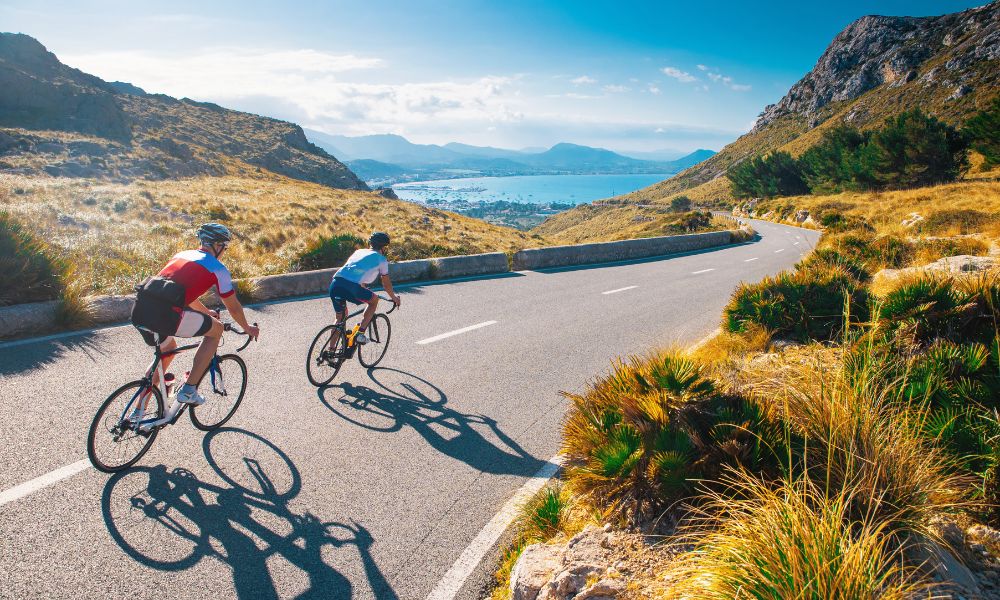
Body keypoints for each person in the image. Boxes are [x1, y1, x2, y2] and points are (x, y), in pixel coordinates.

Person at [131, 223, 260, 412]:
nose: (224, 251)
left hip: (141, 310)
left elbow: (179, 293)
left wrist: (206, 314)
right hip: (166, 315)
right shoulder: (218, 268)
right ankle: (189, 390)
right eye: (224, 247)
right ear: (218, 246)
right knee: (215, 331)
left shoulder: (181, 255)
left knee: (167, 350)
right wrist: (247, 327)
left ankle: (137, 411)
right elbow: (233, 306)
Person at [329, 231, 401, 345]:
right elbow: (386, 284)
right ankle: (360, 334)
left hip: (335, 283)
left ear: (370, 244)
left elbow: (355, 272)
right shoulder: (381, 260)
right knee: (373, 300)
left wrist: (363, 288)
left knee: (340, 319)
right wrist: (394, 298)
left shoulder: (359, 252)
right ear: (383, 247)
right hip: (351, 287)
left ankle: (330, 352)